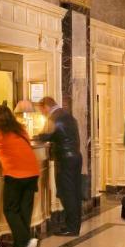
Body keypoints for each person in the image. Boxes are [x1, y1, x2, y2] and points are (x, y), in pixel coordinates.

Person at [0, 104, 41, 247]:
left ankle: (27, 241)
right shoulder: (20, 129)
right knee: (24, 210)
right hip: (32, 173)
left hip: (15, 175)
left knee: (10, 209)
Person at [35, 96, 83, 236]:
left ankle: (71, 228)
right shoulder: (66, 115)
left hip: (65, 159)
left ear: (46, 106)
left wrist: (34, 136)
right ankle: (73, 225)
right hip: (75, 156)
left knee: (67, 193)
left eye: (42, 110)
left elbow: (45, 136)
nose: (42, 113)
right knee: (74, 192)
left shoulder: (54, 117)